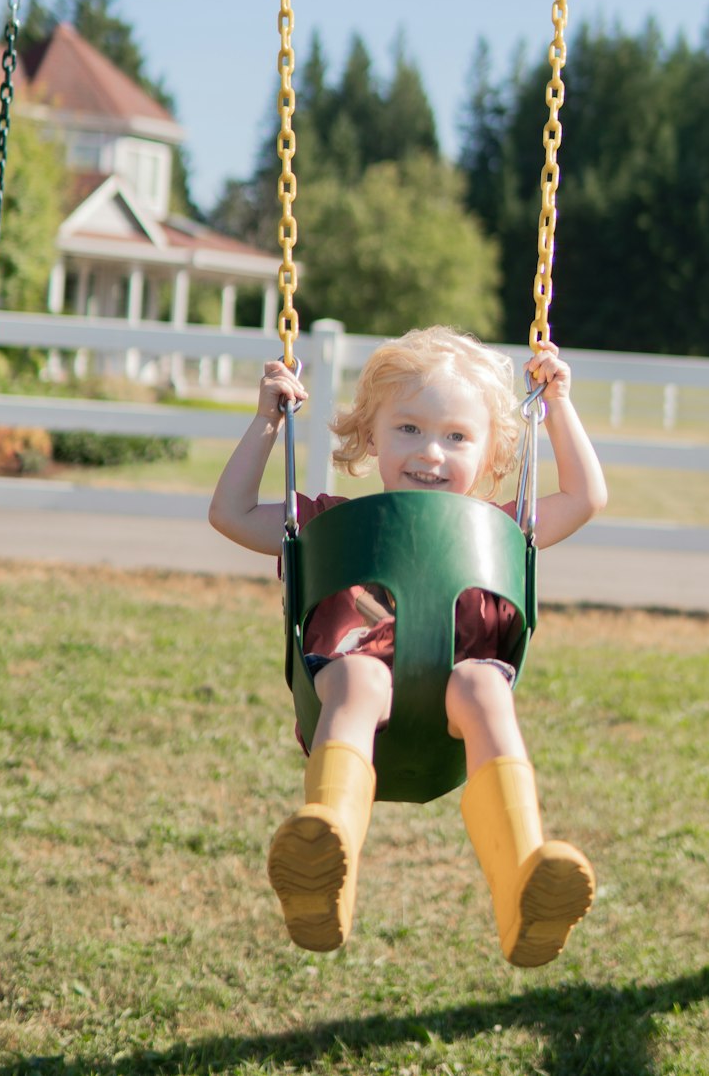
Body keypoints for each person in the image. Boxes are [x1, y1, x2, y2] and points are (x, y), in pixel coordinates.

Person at [209, 326, 607, 966]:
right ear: (371, 435)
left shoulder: (500, 529)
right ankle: (326, 845)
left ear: (492, 453)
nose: (431, 452)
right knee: (360, 678)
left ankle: (524, 875)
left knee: (482, 683)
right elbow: (229, 514)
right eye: (408, 428)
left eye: (457, 436)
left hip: (451, 711)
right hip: (353, 704)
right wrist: (266, 422)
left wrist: (557, 405)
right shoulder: (322, 520)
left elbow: (586, 498)